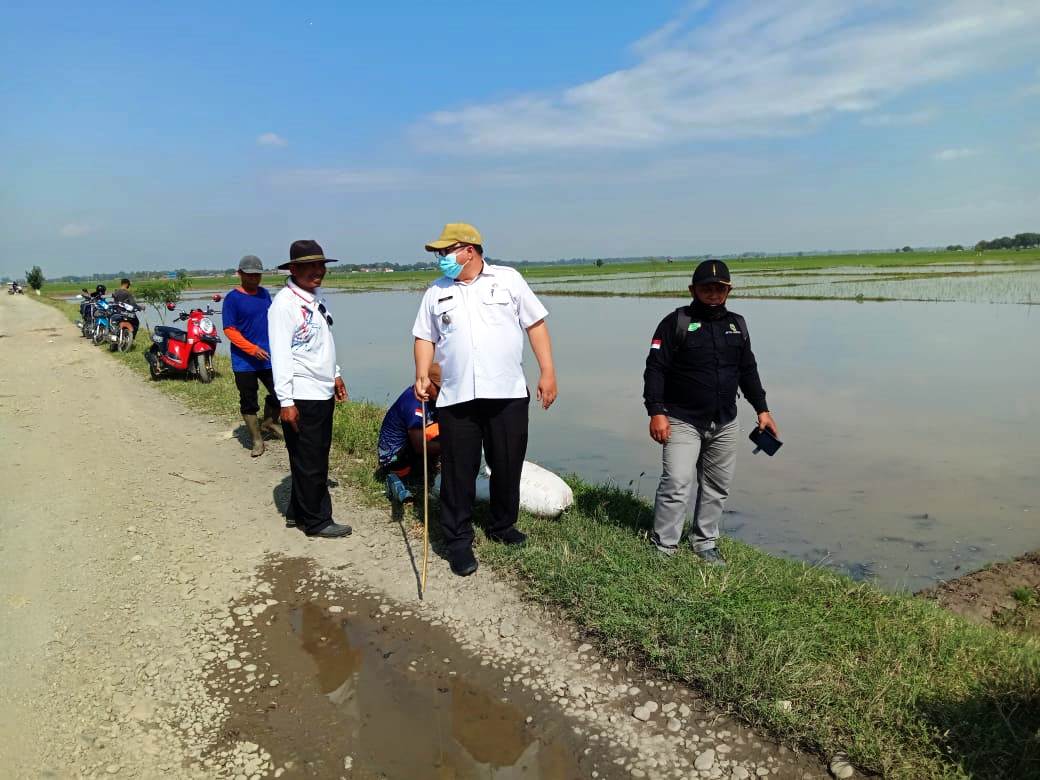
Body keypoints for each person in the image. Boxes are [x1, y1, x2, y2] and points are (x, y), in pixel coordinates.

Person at [413, 223, 558, 577]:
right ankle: (458, 540)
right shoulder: (436, 292)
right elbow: (423, 337)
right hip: (457, 396)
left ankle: (502, 525)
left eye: (445, 251)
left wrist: (548, 372)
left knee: (507, 463)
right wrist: (421, 373)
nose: (441, 258)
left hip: (507, 392)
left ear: (468, 249)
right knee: (458, 471)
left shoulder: (507, 280)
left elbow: (535, 324)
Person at [643, 259, 778, 566]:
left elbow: (748, 370)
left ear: (728, 290)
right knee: (677, 481)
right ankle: (664, 546)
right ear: (693, 289)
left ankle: (705, 543)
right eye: (707, 287)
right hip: (682, 418)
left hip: (725, 421)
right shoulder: (675, 322)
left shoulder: (737, 324)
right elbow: (655, 369)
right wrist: (656, 411)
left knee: (717, 486)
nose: (713, 293)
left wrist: (763, 410)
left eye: (720, 288)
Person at [268, 240, 352, 538]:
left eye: (321, 266)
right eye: (309, 266)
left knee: (308, 457)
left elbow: (322, 343)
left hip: (321, 389)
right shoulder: (285, 305)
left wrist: (336, 374)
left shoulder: (314, 299)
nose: (318, 272)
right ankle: (317, 521)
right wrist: (286, 400)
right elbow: (280, 355)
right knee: (311, 459)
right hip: (302, 394)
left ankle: (297, 512)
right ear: (293, 269)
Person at [222, 256, 280, 457]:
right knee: (248, 400)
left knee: (280, 392)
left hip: (268, 357)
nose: (254, 278)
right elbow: (229, 330)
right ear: (240, 274)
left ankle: (270, 422)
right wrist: (251, 349)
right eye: (250, 275)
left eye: (257, 274)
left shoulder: (264, 294)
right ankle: (257, 439)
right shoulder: (232, 299)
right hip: (244, 361)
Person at [377, 363, 442, 504]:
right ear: (427, 382)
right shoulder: (415, 403)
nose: (443, 392)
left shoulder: (431, 398)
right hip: (394, 457)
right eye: (440, 388)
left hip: (408, 447)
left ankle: (429, 470)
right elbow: (419, 446)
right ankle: (398, 477)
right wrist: (451, 446)